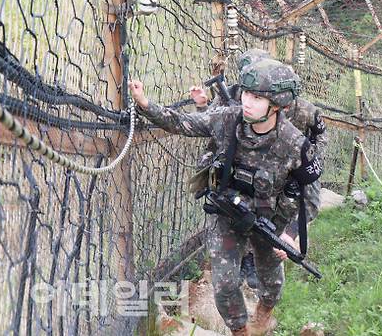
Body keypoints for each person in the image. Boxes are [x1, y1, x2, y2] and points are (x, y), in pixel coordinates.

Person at [129, 59, 323, 336]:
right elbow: (183, 123)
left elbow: (311, 196)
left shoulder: (295, 144)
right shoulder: (228, 119)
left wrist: (291, 235)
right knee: (225, 282)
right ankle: (240, 331)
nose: (247, 101)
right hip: (228, 213)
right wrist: (145, 103)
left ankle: (264, 315)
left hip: (270, 219)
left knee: (271, 283)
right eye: (246, 93)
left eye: (257, 98)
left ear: (277, 105)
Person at [191, 50, 327, 288]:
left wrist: (309, 161)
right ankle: (245, 258)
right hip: (250, 163)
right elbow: (212, 125)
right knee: (243, 206)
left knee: (299, 200)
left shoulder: (303, 109)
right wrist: (203, 106)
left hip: (289, 164)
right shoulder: (235, 94)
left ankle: (275, 246)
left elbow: (319, 136)